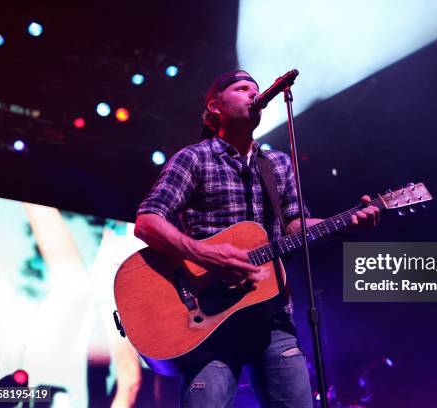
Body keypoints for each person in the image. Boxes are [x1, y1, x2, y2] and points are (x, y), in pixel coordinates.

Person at [134, 70, 380, 407]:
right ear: (214, 107)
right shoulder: (194, 158)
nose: (254, 94)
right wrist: (207, 255)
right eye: (241, 88)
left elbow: (295, 227)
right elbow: (147, 221)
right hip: (208, 324)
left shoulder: (277, 164)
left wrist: (346, 222)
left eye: (256, 89)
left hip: (272, 318)